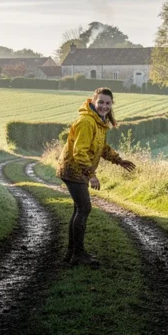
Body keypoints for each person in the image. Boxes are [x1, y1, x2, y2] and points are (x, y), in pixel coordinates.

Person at [56, 87, 136, 266]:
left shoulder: (99, 121)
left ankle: (71, 253)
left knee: (79, 209)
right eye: (101, 102)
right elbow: (79, 151)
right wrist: (91, 175)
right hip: (73, 168)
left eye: (108, 103)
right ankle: (78, 254)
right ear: (93, 102)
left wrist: (119, 160)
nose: (104, 106)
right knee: (84, 208)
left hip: (77, 169)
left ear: (111, 104)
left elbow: (102, 147)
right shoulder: (87, 121)